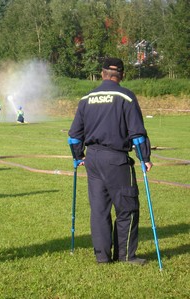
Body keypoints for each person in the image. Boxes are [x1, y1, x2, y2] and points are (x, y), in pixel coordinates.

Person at [68, 57, 152, 265]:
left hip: (93, 160)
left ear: (102, 73)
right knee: (127, 208)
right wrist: (145, 158)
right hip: (117, 160)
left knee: (99, 210)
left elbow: (74, 136)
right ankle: (125, 256)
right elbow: (138, 135)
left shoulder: (86, 98)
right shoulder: (126, 97)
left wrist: (78, 156)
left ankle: (102, 257)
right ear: (121, 74)